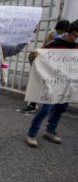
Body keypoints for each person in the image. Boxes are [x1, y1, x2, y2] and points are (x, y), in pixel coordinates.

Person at [26, 19, 78, 147]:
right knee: (46, 109)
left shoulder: (76, 48)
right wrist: (31, 58)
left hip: (68, 85)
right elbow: (40, 64)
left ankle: (50, 131)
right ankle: (31, 134)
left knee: (61, 108)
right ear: (74, 33)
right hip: (53, 85)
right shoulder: (53, 45)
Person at [21, 20, 70, 113]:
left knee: (54, 87)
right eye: (58, 32)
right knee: (39, 82)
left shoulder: (69, 40)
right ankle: (32, 104)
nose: (59, 34)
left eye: (62, 32)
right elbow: (44, 48)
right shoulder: (51, 37)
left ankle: (51, 106)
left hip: (60, 67)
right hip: (48, 64)